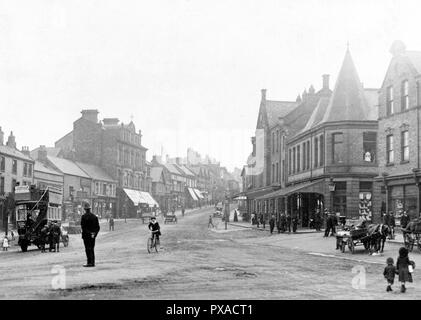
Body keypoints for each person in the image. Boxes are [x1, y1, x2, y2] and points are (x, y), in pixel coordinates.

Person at [81, 202, 100, 267]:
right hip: (92, 236)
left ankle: (89, 262)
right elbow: (97, 227)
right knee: (92, 248)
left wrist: (89, 233)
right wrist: (94, 234)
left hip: (86, 236)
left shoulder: (83, 217)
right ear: (90, 209)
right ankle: (93, 262)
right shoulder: (94, 217)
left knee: (87, 249)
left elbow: (83, 227)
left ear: (85, 209)